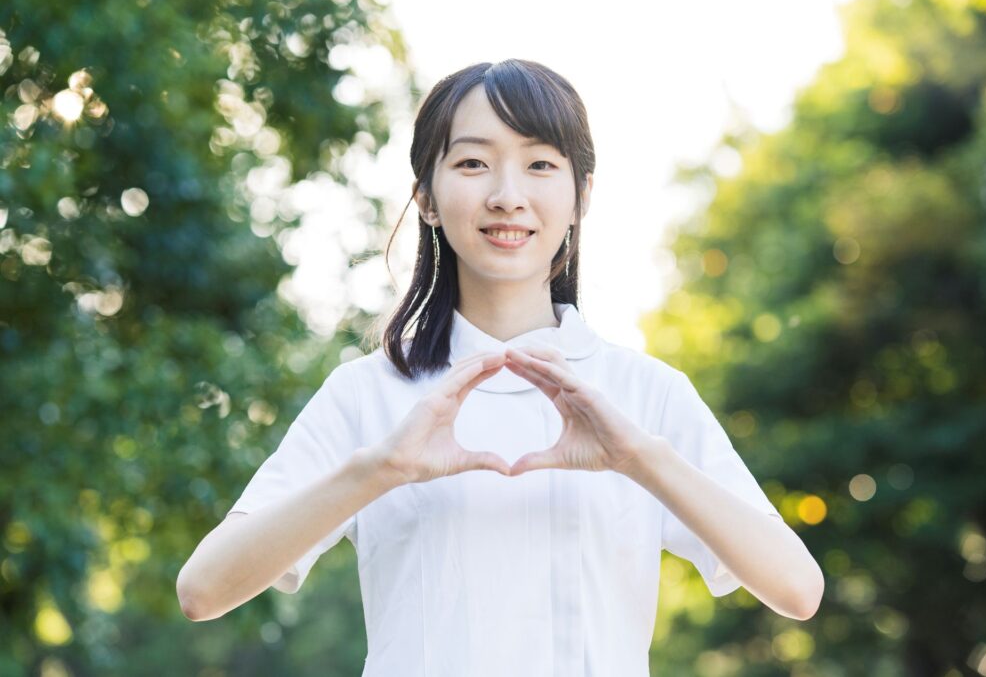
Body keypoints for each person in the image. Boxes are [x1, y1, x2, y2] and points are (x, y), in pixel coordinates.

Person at [177, 59, 823, 675]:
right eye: (473, 163)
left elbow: (797, 589)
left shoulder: (644, 395)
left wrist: (637, 458)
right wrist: (382, 469)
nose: (508, 196)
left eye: (540, 164)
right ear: (426, 197)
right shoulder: (368, 393)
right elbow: (203, 589)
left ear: (582, 194)